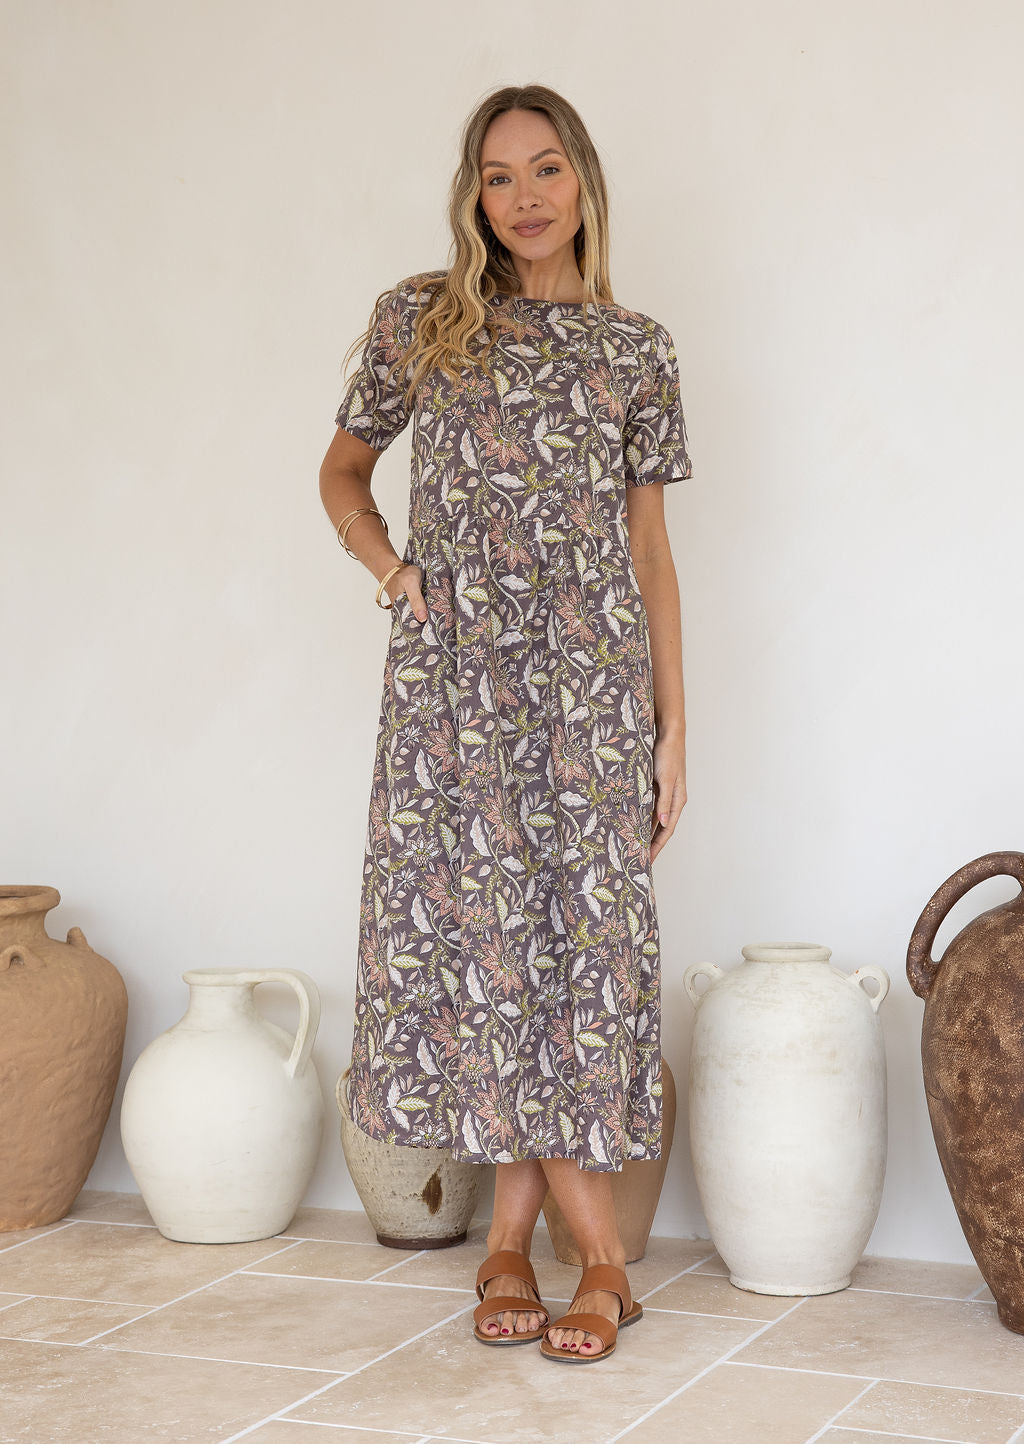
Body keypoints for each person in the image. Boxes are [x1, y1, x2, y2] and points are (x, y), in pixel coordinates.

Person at [319, 82, 692, 1363]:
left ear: (582, 179)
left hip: (588, 683)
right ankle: (575, 1253)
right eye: (496, 176)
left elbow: (650, 549)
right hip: (458, 687)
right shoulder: (422, 320)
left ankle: (517, 1243)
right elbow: (343, 469)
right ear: (471, 197)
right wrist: (392, 567)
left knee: (579, 945)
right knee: (488, 944)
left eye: (545, 169)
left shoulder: (637, 348)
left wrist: (672, 728)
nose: (524, 197)